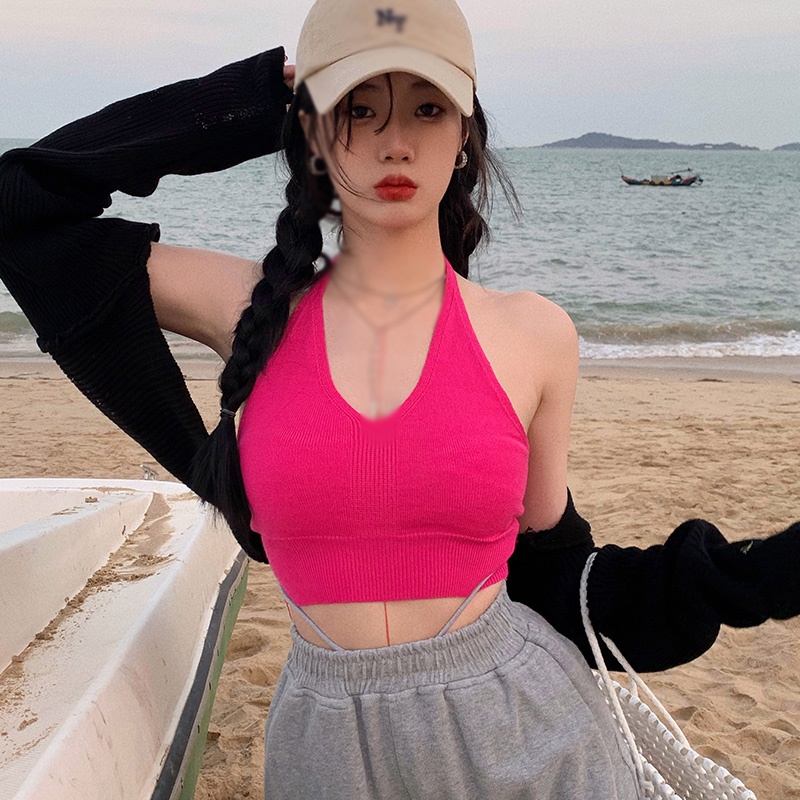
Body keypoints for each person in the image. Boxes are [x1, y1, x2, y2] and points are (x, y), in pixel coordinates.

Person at [0, 0, 798, 797]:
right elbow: (18, 207)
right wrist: (250, 100)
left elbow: (558, 571)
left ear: (464, 134)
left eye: (426, 108)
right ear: (312, 131)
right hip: (325, 749)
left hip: (526, 735)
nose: (395, 142)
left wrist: (743, 577)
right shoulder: (249, 310)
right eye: (358, 109)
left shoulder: (531, 333)